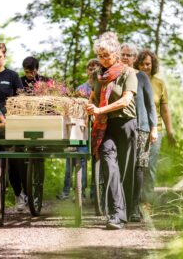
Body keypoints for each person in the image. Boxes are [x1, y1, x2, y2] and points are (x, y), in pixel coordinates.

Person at [87, 32, 138, 230]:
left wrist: (100, 109)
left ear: (116, 53)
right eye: (100, 55)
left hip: (126, 123)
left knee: (124, 171)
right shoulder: (98, 75)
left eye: (107, 55)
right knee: (109, 165)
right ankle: (117, 215)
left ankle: (126, 210)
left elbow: (126, 100)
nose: (103, 59)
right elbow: (93, 96)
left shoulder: (127, 73)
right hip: (105, 126)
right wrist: (89, 107)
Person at [134, 49, 176, 211]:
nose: (145, 67)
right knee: (137, 167)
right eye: (142, 64)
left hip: (155, 130)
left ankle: (147, 202)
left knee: (149, 167)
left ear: (153, 65)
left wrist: (170, 131)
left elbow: (165, 110)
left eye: (148, 64)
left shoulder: (159, 84)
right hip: (137, 129)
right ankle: (134, 202)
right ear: (137, 64)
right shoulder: (134, 80)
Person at [0, 42, 24, 215]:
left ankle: (19, 195)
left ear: (5, 56)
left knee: (14, 162)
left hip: (11, 125)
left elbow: (21, 100)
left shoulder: (13, 76)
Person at [121, 43, 157, 222]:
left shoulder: (142, 77)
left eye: (129, 55)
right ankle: (121, 207)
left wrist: (154, 128)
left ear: (135, 59)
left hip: (142, 128)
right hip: (122, 127)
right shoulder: (117, 76)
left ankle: (134, 207)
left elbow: (151, 105)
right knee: (123, 168)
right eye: (123, 55)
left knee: (139, 168)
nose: (126, 58)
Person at [56, 58, 100, 201]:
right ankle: (73, 191)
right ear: (87, 70)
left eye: (96, 68)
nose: (92, 70)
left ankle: (95, 192)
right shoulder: (81, 88)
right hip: (81, 129)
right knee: (75, 159)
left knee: (96, 162)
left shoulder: (102, 86)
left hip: (97, 128)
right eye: (90, 68)